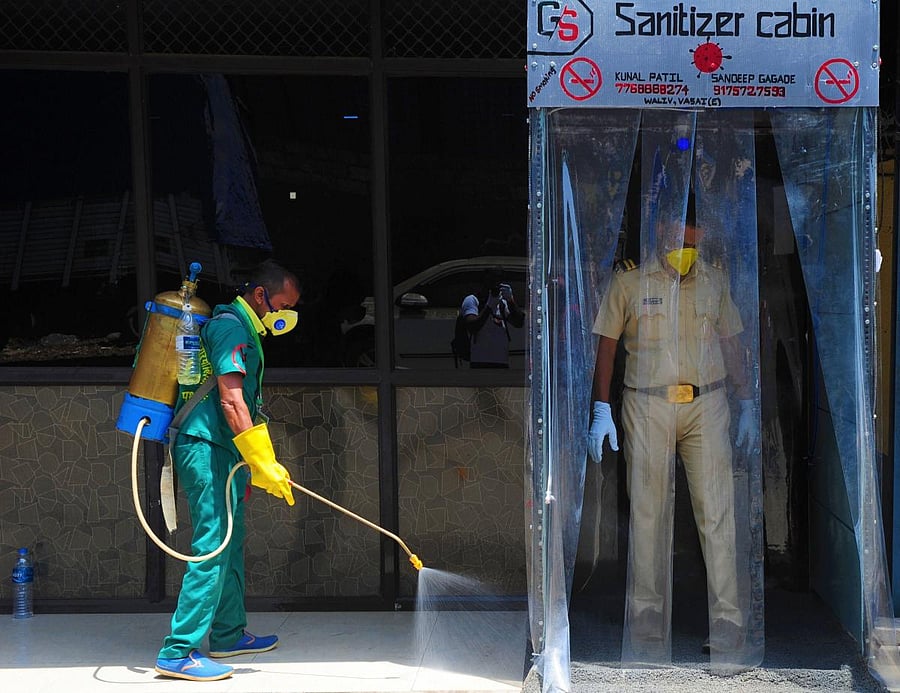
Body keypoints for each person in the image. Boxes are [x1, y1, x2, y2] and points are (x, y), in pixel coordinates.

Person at [587, 220, 757, 661]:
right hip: (647, 404)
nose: (687, 245)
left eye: (694, 237)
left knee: (717, 512)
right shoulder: (629, 282)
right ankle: (646, 619)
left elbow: (731, 341)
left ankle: (728, 622)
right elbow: (607, 346)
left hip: (706, 403)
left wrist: (746, 399)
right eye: (681, 236)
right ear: (662, 230)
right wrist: (601, 407)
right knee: (648, 511)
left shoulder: (714, 281)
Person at [155, 259, 301, 681]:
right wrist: (260, 460)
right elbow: (231, 400)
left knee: (231, 542)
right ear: (261, 295)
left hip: (224, 449)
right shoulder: (231, 329)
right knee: (213, 545)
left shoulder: (244, 329)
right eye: (282, 306)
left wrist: (257, 460)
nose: (285, 315)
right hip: (206, 447)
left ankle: (227, 633)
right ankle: (177, 651)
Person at [460, 270, 525, 368]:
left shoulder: (502, 303)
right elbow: (472, 326)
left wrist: (510, 300)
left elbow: (518, 323)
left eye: (497, 283)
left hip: (501, 361)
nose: (494, 288)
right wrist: (489, 306)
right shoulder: (472, 300)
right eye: (490, 283)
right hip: (480, 361)